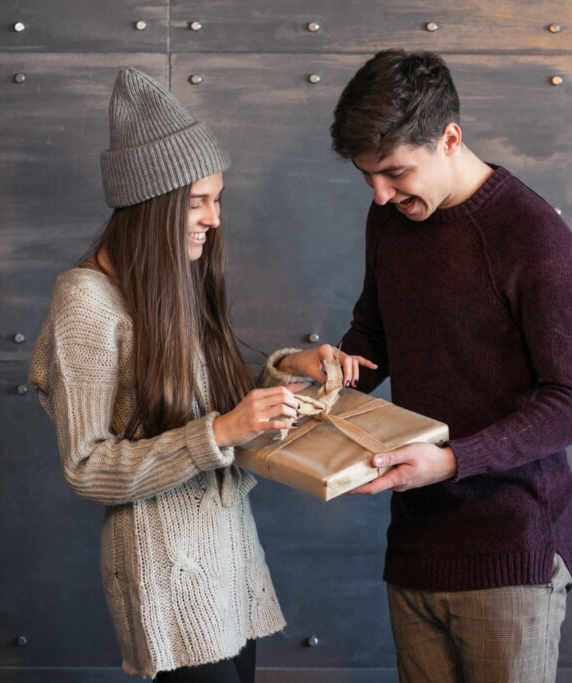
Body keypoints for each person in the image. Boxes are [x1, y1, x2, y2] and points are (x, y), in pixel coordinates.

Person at [28, 67, 371, 682]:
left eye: (218, 199)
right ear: (150, 206)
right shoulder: (86, 300)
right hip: (166, 577)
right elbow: (86, 465)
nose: (214, 219)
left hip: (231, 562)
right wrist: (221, 433)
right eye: (197, 202)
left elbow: (196, 402)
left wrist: (287, 370)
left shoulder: (167, 285)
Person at [281, 49, 572, 681]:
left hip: (512, 552)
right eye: (367, 177)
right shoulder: (390, 218)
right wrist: (327, 379)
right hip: (415, 543)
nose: (380, 194)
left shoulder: (533, 237)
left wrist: (453, 461)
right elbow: (375, 337)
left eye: (395, 172)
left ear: (450, 138)